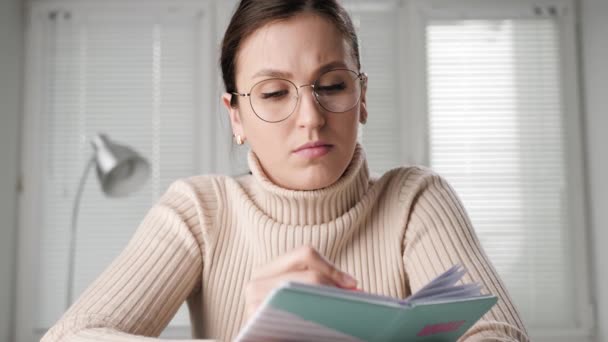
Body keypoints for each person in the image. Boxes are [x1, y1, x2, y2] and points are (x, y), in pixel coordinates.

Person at [42, 0, 530, 341]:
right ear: (235, 116)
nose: (311, 118)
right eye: (274, 93)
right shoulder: (199, 211)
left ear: (362, 97)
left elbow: (499, 335)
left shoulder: (415, 199)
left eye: (333, 85)